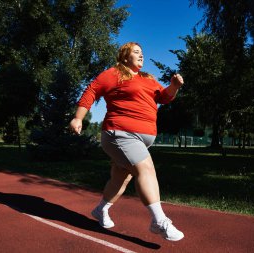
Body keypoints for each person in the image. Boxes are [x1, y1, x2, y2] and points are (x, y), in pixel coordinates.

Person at [70, 42, 184, 241]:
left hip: (141, 138)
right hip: (119, 133)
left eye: (142, 52)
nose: (141, 55)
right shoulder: (113, 74)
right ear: (124, 56)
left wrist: (174, 87)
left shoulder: (147, 79)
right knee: (146, 168)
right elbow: (91, 91)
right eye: (136, 52)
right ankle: (159, 221)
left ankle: (100, 210)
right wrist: (78, 117)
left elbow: (164, 98)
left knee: (121, 178)